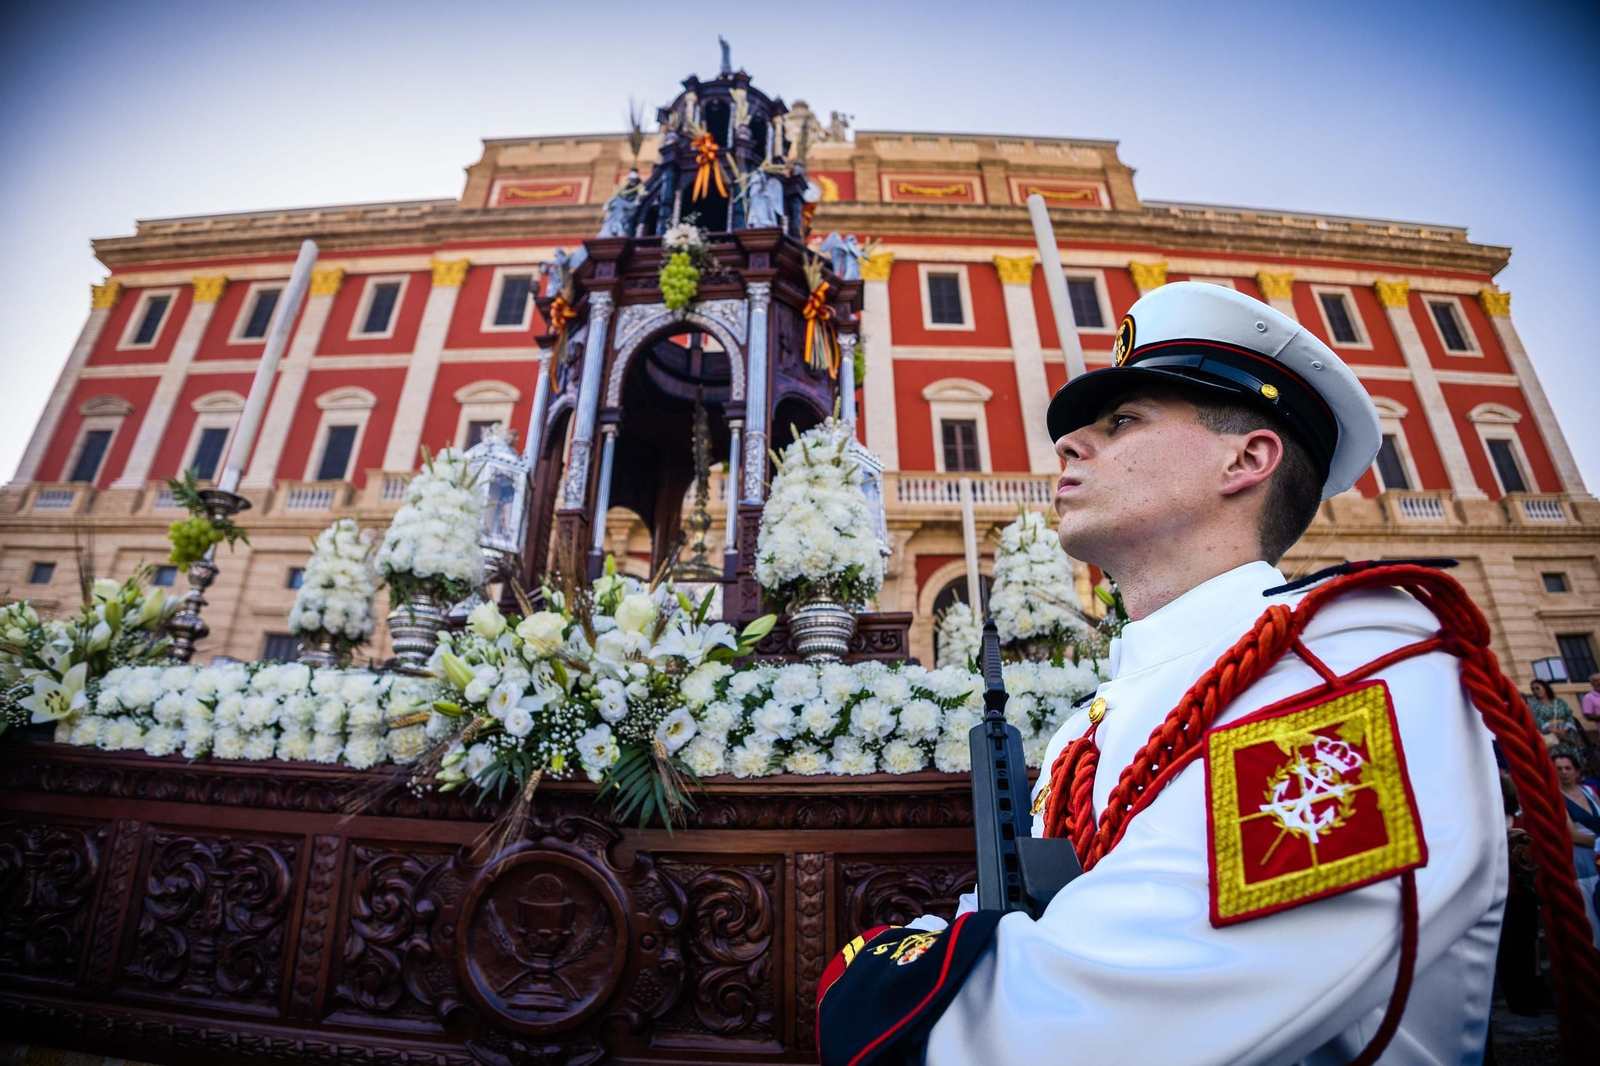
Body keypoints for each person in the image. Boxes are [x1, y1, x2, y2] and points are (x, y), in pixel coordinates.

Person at [814, 283, 1600, 1064]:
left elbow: (1060, 1032)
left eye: (1122, 421)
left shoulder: (1352, 674)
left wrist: (875, 984)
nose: (1067, 446)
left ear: (1247, 459)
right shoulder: (1099, 724)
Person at [1554, 746, 1600, 948]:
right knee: (1590, 908)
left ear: (1577, 771)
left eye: (1568, 768)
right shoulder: (1556, 798)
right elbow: (1572, 835)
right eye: (1559, 769)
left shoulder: (1590, 792)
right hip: (1581, 860)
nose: (1564, 772)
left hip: (1597, 856)